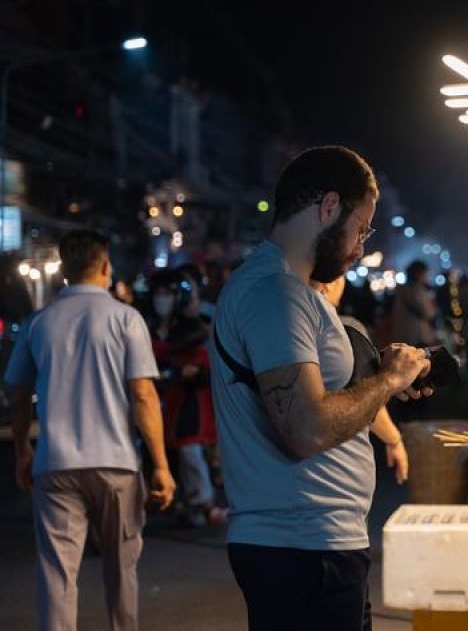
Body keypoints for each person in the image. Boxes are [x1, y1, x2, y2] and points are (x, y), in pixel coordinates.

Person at [210, 146, 432, 630]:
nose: (360, 246)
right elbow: (306, 428)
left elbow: (329, 394)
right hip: (299, 551)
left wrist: (383, 384)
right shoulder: (274, 292)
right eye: (361, 228)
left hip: (319, 547)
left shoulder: (295, 290)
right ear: (329, 207)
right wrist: (388, 380)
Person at [4, 230, 175, 631]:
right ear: (104, 266)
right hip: (116, 464)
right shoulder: (125, 319)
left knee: (57, 574)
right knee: (121, 570)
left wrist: (22, 452)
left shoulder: (38, 323)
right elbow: (143, 395)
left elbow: (17, 394)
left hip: (56, 464)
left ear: (63, 270)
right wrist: (161, 465)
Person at [312, 275, 409, 484]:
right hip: (340, 471)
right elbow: (365, 391)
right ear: (329, 283)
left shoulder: (285, 330)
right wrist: (394, 438)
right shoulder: (346, 331)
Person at [146, 269, 223, 528]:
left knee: (190, 450)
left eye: (167, 294)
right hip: (155, 401)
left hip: (188, 401)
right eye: (158, 294)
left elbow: (201, 367)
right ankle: (174, 500)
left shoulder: (193, 329)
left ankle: (204, 502)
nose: (162, 299)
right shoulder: (147, 329)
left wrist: (180, 372)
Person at [390, 260, 437, 347]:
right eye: (425, 274)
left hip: (403, 335)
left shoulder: (402, 289)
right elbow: (428, 313)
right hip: (416, 336)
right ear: (418, 274)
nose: (426, 277)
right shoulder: (416, 290)